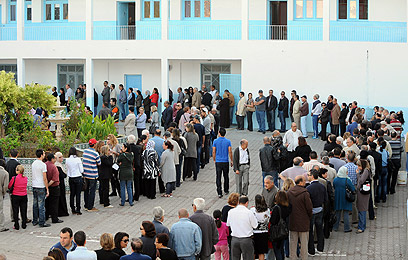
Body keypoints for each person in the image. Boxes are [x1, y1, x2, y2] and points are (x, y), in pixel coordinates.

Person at [287, 175, 313, 260]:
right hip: (303, 222)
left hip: (293, 221)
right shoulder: (305, 193)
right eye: (304, 181)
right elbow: (309, 208)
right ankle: (304, 258)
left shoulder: (289, 192)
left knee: (293, 243)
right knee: (304, 243)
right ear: (301, 182)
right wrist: (309, 217)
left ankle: (293, 257)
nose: (305, 182)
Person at [226, 196, 257, 260]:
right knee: (248, 257)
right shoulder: (249, 212)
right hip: (246, 239)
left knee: (235, 258)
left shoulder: (231, 212)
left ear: (238, 202)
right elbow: (255, 225)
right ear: (247, 203)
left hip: (234, 239)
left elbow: (228, 224)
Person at [306, 169, 327, 256]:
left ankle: (311, 250)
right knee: (319, 230)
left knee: (310, 231)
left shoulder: (308, 188)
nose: (307, 176)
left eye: (308, 175)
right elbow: (326, 199)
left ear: (312, 176)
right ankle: (320, 248)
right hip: (320, 210)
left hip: (312, 212)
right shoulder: (322, 186)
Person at [269, 191, 292, 260]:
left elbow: (273, 221)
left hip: (276, 231)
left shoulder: (277, 208)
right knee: (281, 248)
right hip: (284, 229)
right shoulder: (288, 206)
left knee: (277, 250)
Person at [332, 166, 355, 232]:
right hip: (345, 198)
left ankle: (335, 227)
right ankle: (346, 228)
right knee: (346, 213)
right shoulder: (347, 180)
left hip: (337, 197)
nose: (347, 173)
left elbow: (334, 186)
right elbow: (352, 189)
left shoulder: (335, 179)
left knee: (337, 213)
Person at [31, 149, 50, 227]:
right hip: (41, 186)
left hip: (34, 185)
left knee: (35, 204)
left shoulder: (33, 163)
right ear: (41, 155)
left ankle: (35, 220)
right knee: (41, 205)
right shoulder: (43, 165)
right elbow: (44, 178)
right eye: (44, 153)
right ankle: (42, 222)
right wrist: (47, 188)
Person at [213, 128, 233, 198]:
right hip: (225, 161)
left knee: (218, 176)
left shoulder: (215, 141)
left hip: (218, 161)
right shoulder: (228, 141)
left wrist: (214, 159)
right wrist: (231, 160)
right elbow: (230, 151)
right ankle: (226, 189)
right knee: (226, 176)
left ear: (219, 133)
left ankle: (219, 192)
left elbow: (214, 151)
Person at [83, 139, 101, 212]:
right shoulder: (95, 153)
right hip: (93, 174)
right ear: (94, 145)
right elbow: (99, 163)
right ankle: (90, 207)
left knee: (86, 190)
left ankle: (86, 205)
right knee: (92, 191)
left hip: (86, 174)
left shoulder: (85, 152)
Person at [250, 195, 270, 260]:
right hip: (264, 233)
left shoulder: (252, 210)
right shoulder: (267, 210)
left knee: (253, 252)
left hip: (254, 233)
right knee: (261, 253)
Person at [45, 153, 63, 224]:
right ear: (52, 159)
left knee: (47, 203)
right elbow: (54, 179)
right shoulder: (53, 167)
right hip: (54, 187)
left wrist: (46, 186)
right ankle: (54, 218)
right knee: (54, 204)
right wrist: (48, 185)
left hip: (46, 187)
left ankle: (46, 216)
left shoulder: (45, 165)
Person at [8, 164, 27, 230]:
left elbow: (9, 186)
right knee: (23, 210)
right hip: (24, 195)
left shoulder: (14, 178)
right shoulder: (25, 178)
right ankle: (24, 224)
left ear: (18, 171)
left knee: (15, 211)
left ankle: (16, 225)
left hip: (15, 195)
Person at [356, 159, 371, 234]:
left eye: (359, 166)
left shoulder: (365, 171)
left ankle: (361, 227)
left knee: (362, 209)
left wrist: (358, 174)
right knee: (362, 209)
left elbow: (361, 181)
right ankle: (362, 225)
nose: (358, 167)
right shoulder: (366, 170)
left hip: (363, 193)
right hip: (363, 192)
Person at [54, 152, 69, 217]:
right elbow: (62, 175)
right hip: (59, 184)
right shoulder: (57, 166)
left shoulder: (58, 165)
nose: (61, 158)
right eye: (59, 157)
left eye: (62, 157)